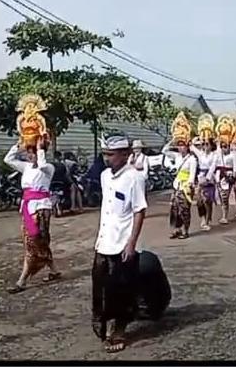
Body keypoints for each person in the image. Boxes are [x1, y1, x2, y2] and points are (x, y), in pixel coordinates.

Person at [91, 133, 148, 353]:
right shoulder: (105, 176)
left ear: (125, 154)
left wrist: (131, 243)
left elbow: (139, 211)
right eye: (104, 154)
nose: (107, 158)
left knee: (121, 289)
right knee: (100, 286)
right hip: (104, 241)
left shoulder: (135, 177)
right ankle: (101, 323)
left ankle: (119, 329)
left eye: (111, 155)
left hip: (123, 244)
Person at [3, 136, 61, 294]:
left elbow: (42, 165)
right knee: (36, 243)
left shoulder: (48, 168)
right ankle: (54, 271)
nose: (30, 156)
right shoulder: (26, 167)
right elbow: (8, 159)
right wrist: (19, 145)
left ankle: (22, 281)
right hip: (27, 208)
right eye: (29, 153)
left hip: (41, 209)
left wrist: (41, 148)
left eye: (33, 153)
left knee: (35, 242)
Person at [162, 138, 197, 239]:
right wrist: (172, 141)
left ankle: (185, 230)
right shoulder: (177, 156)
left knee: (184, 209)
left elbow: (192, 174)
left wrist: (189, 186)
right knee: (174, 209)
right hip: (177, 185)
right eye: (179, 146)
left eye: (183, 146)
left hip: (185, 186)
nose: (181, 148)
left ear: (187, 147)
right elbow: (164, 151)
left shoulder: (192, 159)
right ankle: (177, 229)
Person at [190, 138, 217, 231]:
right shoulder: (200, 153)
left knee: (208, 201)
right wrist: (195, 139)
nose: (205, 146)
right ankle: (203, 219)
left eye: (207, 144)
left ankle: (207, 219)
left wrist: (208, 178)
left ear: (211, 146)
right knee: (200, 201)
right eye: (203, 144)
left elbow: (213, 167)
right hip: (200, 177)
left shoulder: (214, 155)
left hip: (209, 179)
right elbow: (191, 146)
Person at [213, 137, 236, 225]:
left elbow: (235, 168)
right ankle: (223, 215)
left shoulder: (232, 155)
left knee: (225, 196)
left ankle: (225, 216)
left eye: (226, 146)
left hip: (228, 177)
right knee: (220, 196)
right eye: (222, 146)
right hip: (219, 176)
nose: (224, 148)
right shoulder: (218, 155)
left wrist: (235, 179)